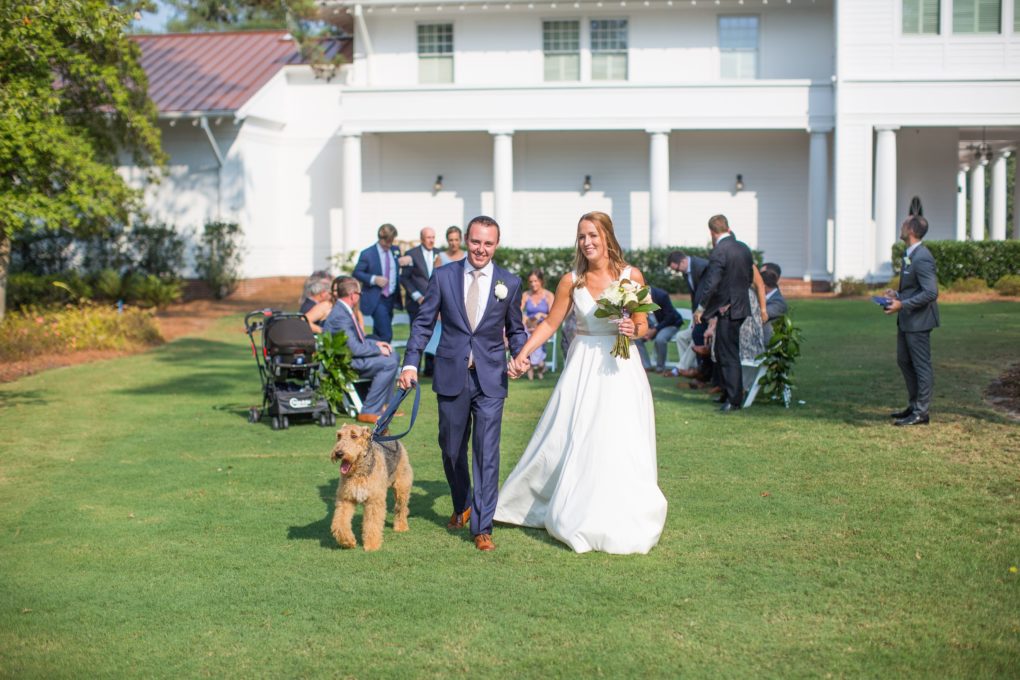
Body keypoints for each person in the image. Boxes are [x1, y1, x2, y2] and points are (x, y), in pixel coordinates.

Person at [496, 211, 668, 555]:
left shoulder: (630, 276)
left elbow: (644, 323)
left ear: (607, 237)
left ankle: (621, 509)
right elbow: (550, 323)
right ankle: (555, 504)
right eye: (581, 236)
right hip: (583, 366)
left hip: (621, 369)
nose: (587, 242)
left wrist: (635, 329)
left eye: (593, 235)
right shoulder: (570, 281)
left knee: (619, 438)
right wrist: (522, 353)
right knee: (571, 435)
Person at [399, 216, 528, 552]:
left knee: (487, 453)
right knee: (452, 448)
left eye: (488, 243)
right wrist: (411, 362)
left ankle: (482, 526)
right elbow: (423, 323)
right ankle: (462, 504)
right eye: (475, 241)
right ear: (465, 240)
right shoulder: (443, 276)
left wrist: (522, 354)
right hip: (451, 374)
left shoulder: (509, 283)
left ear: (496, 245)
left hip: (491, 379)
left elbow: (515, 329)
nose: (481, 249)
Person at [693, 214, 756, 413]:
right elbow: (749, 278)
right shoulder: (743, 248)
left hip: (727, 309)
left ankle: (734, 399)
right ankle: (727, 393)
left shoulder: (720, 250)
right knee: (721, 351)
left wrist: (702, 307)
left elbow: (713, 283)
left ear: (712, 232)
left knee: (728, 354)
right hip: (739, 305)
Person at [884, 214, 939, 426]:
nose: (901, 227)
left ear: (912, 231)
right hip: (907, 319)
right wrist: (896, 296)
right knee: (904, 361)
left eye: (904, 224)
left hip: (920, 321)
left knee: (921, 365)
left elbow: (930, 293)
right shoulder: (909, 254)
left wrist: (902, 305)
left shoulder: (922, 256)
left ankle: (921, 412)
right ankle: (914, 405)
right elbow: (914, 288)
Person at [321, 277, 399, 424]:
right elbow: (355, 348)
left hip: (352, 357)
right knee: (388, 363)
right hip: (346, 363)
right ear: (353, 295)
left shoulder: (343, 310)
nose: (360, 296)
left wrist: (378, 343)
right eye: (360, 293)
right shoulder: (340, 315)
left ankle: (385, 406)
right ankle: (369, 410)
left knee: (393, 354)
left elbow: (358, 340)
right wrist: (377, 348)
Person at [353, 223, 403, 343]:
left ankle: (375, 357)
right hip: (377, 298)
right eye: (388, 241)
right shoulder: (368, 253)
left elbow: (397, 268)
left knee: (379, 332)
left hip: (391, 298)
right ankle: (387, 359)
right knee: (386, 334)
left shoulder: (395, 251)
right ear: (381, 238)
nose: (390, 244)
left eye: (392, 241)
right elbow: (357, 273)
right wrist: (374, 279)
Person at [401, 227, 438, 376]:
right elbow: (404, 278)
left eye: (433, 237)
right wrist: (417, 296)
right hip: (416, 303)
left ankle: (431, 369)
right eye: (428, 237)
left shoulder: (439, 253)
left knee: (435, 333)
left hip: (435, 302)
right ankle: (413, 367)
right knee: (417, 334)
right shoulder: (411, 254)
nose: (431, 240)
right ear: (422, 238)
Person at [636, 286, 684, 374]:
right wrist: (645, 329)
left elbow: (670, 317)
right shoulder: (635, 297)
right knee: (637, 338)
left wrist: (655, 330)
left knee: (660, 339)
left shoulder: (661, 295)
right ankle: (646, 366)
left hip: (670, 324)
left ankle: (660, 367)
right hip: (650, 326)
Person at [520, 269, 555, 380]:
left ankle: (533, 365)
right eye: (530, 282)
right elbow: (517, 311)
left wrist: (540, 315)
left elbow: (553, 317)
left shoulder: (549, 295)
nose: (533, 284)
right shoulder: (525, 295)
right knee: (526, 333)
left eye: (535, 281)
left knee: (535, 334)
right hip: (528, 326)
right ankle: (539, 365)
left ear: (541, 281)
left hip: (544, 326)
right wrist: (523, 317)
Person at [759, 265, 788, 344]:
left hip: (767, 348)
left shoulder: (778, 302)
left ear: (763, 286)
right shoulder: (760, 296)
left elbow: (758, 315)